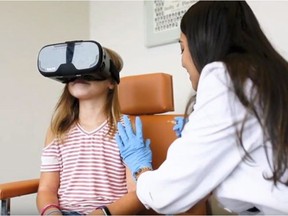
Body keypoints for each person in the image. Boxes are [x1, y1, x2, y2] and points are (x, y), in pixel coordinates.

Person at [116, 1, 288, 215]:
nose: (182, 61)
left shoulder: (227, 80)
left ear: (203, 42)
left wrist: (140, 169)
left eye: (182, 48)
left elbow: (166, 194)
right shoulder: (270, 76)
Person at [36, 44, 144, 215]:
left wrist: (101, 214)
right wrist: (52, 213)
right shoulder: (57, 130)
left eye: (89, 66)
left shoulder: (125, 128)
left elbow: (137, 193)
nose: (79, 75)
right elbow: (46, 189)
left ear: (111, 81)